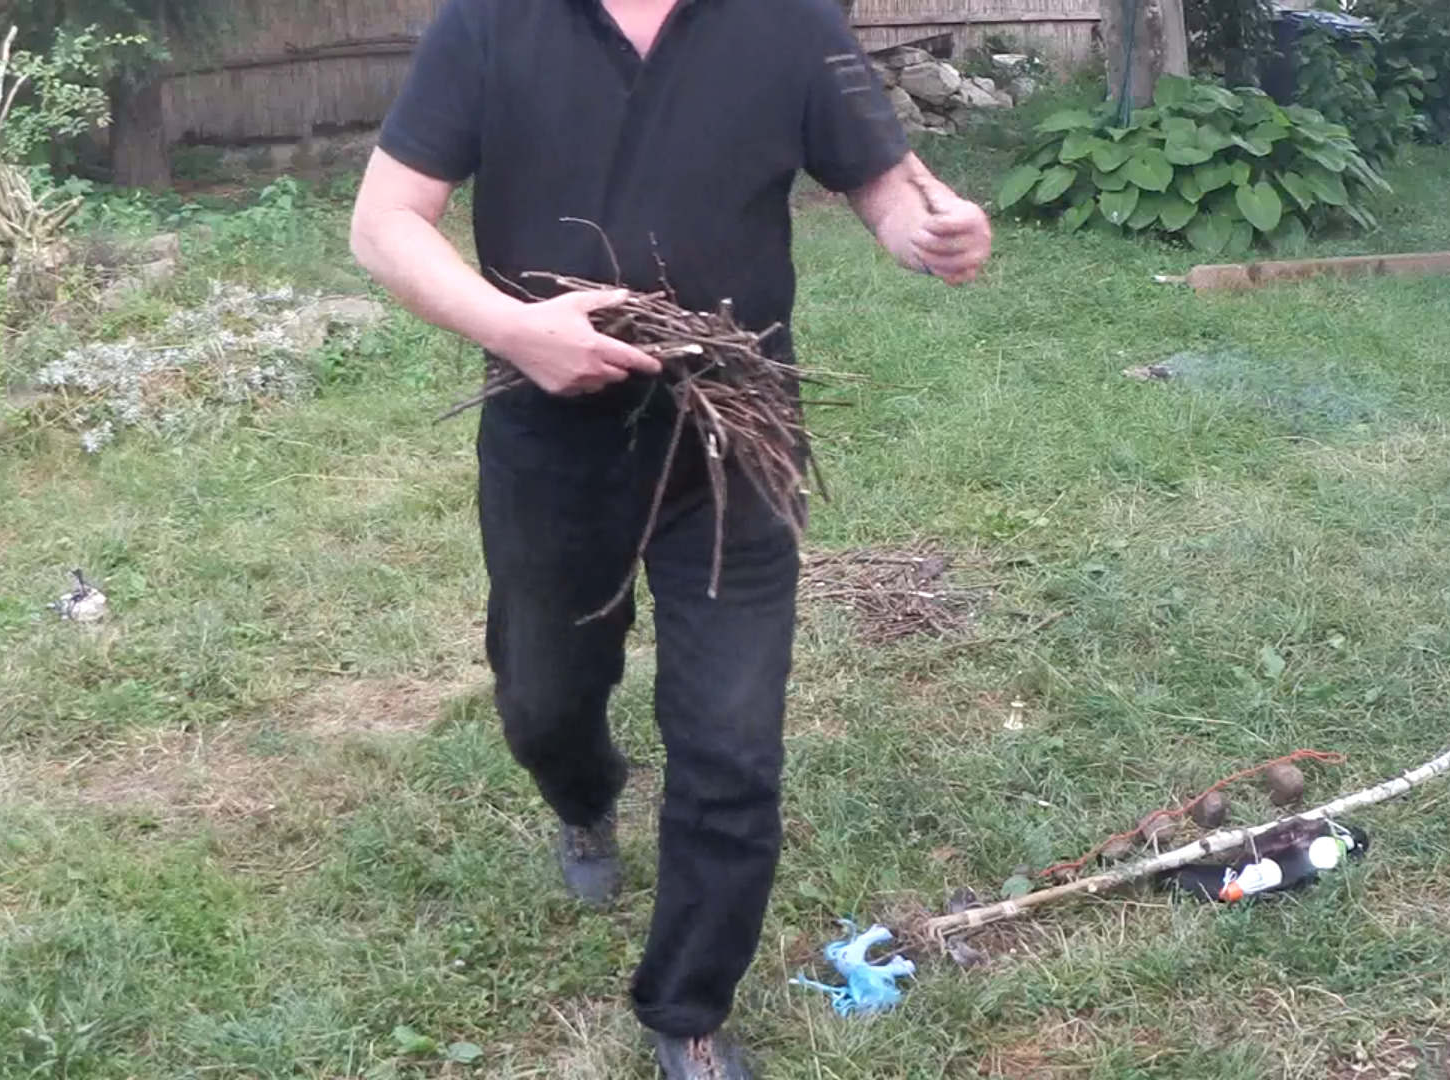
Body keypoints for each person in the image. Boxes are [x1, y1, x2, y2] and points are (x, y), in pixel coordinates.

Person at [349, 0, 992, 1076]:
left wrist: (925, 232)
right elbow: (385, 221)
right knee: (544, 697)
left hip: (736, 430)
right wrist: (514, 329)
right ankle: (583, 796)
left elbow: (882, 183)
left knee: (731, 745)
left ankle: (688, 1010)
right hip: (551, 432)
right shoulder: (493, 20)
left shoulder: (790, 19)